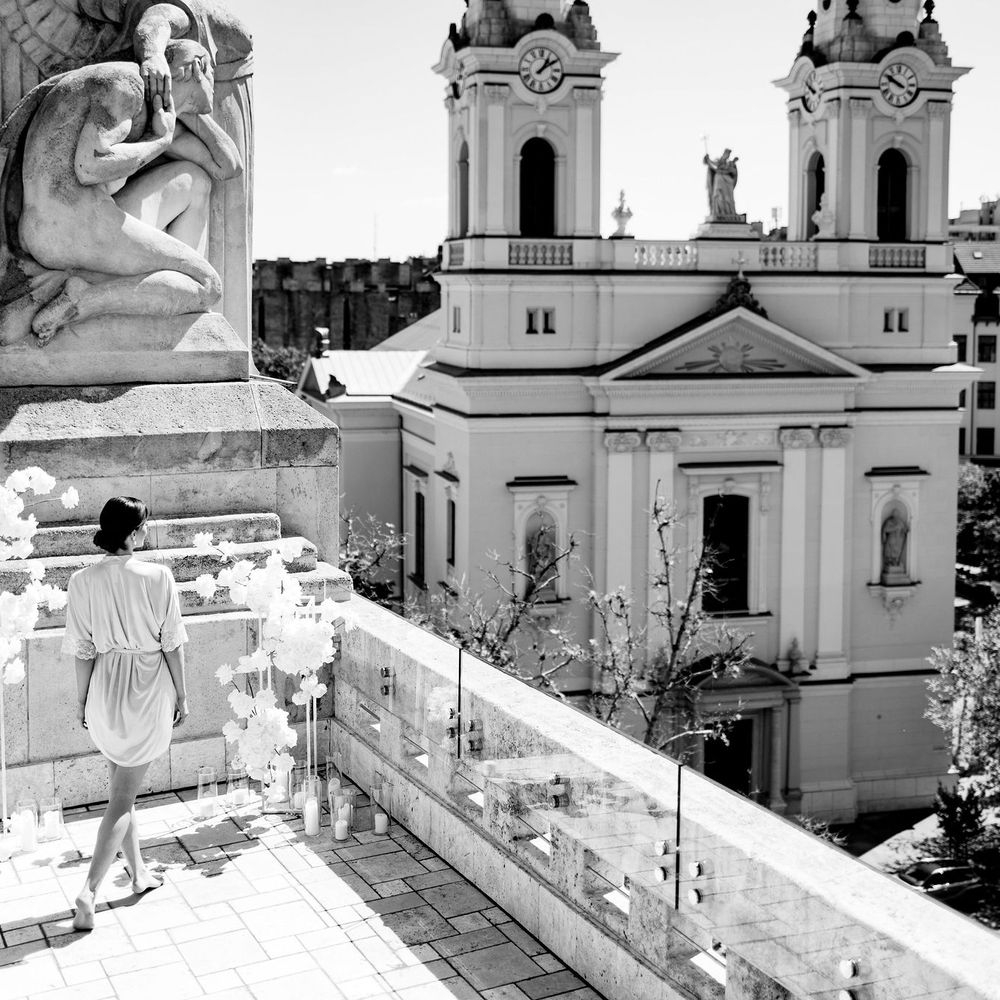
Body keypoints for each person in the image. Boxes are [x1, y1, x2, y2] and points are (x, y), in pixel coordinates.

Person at [16, 38, 241, 341]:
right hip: (67, 226)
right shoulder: (127, 87)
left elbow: (228, 166)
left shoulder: (150, 105)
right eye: (212, 74)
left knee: (194, 180)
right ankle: (86, 299)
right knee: (207, 285)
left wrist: (183, 107)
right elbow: (90, 165)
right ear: (198, 68)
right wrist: (159, 142)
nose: (216, 85)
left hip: (68, 220)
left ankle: (169, 291)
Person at [62, 497, 189, 931]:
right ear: (134, 532)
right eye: (145, 527)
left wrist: (82, 700)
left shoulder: (81, 580)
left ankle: (137, 874)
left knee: (123, 787)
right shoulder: (158, 576)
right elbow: (172, 642)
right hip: (147, 685)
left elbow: (81, 650)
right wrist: (183, 695)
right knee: (122, 798)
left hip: (104, 686)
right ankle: (89, 890)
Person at [704, 148, 739, 221]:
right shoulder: (718, 161)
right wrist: (708, 160)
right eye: (727, 154)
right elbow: (712, 165)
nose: (727, 156)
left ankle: (729, 212)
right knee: (718, 196)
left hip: (727, 182)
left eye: (728, 155)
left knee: (728, 198)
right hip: (719, 180)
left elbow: (733, 172)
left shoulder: (729, 163)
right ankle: (719, 211)